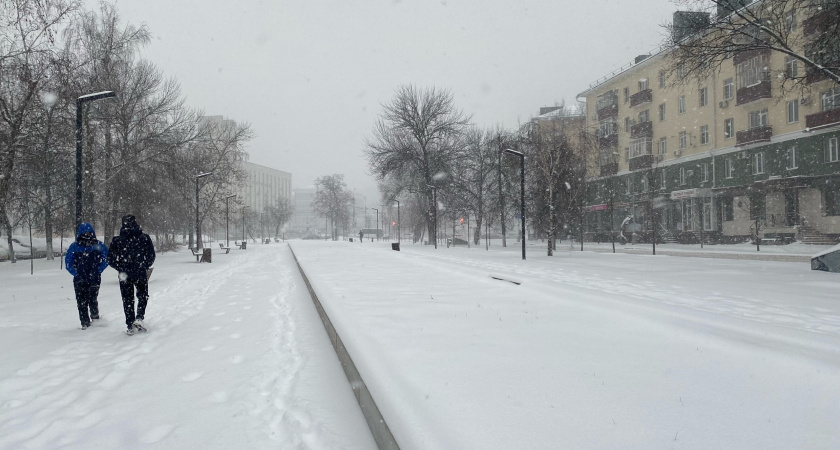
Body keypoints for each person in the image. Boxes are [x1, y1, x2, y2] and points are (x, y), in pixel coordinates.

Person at [108, 214, 156, 335]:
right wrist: (144, 265)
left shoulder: (117, 240)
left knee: (127, 299)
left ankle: (130, 324)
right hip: (139, 271)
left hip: (124, 274)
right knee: (143, 295)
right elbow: (151, 255)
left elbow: (110, 259)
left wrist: (120, 267)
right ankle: (139, 317)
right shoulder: (144, 238)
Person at [64, 223, 109, 330]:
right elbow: (106, 259)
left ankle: (87, 323)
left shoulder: (75, 246)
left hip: (86, 278)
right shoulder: (98, 245)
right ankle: (93, 321)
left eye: (88, 233)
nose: (87, 235)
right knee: (89, 300)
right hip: (89, 278)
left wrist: (77, 273)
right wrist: (97, 270)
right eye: (85, 233)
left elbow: (106, 259)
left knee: (84, 301)